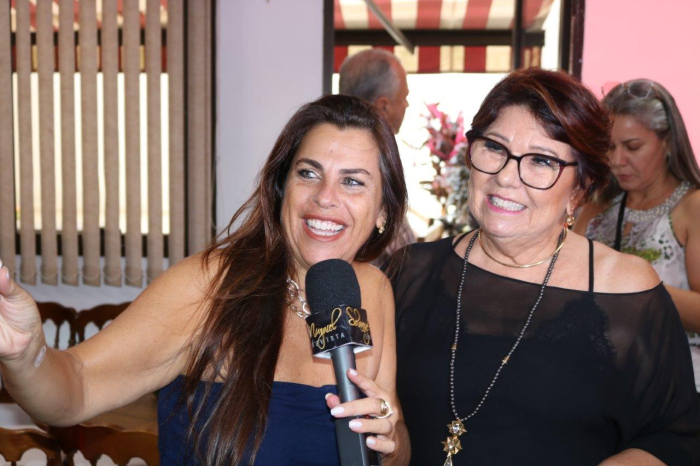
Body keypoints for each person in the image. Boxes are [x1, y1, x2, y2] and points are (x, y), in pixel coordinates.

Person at [0, 95, 410, 465]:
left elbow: (394, 434)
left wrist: (390, 442)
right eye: (308, 173)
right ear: (281, 188)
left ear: (383, 212)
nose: (325, 196)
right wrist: (25, 355)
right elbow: (76, 388)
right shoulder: (210, 287)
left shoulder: (373, 289)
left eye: (352, 181)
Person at [388, 68, 700, 465]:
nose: (506, 177)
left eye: (540, 160)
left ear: (580, 189)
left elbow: (673, 437)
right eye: (494, 148)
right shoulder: (409, 273)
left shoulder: (627, 293)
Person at [574, 79, 700, 390]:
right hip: (599, 383)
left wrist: (631, 283)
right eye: (609, 147)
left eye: (632, 147)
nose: (617, 161)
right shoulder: (596, 207)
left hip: (676, 386)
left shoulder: (693, 207)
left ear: (667, 141)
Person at [339, 49, 415, 264]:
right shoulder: (374, 158)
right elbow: (402, 256)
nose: (407, 104)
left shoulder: (325, 143)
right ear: (383, 106)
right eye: (404, 97)